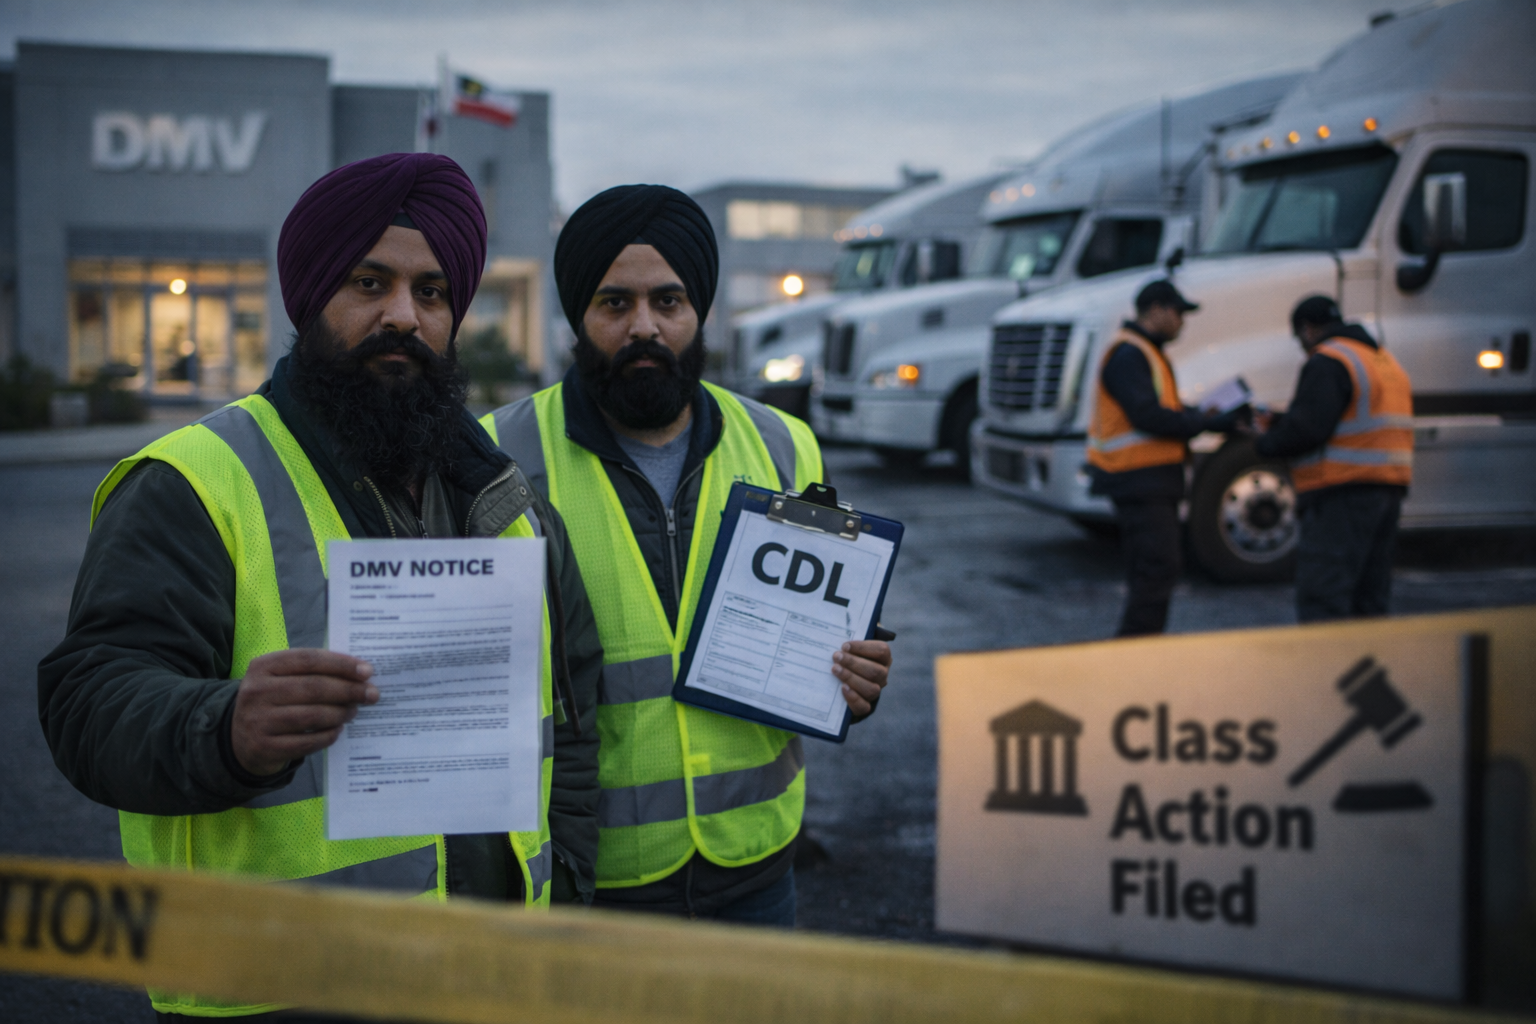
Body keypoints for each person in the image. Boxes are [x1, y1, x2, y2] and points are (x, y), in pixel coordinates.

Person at [38, 153, 603, 1021]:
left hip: (488, 980)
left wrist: (566, 877)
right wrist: (224, 727)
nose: (403, 315)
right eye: (369, 283)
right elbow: (88, 700)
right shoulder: (195, 480)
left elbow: (569, 716)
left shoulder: (504, 498)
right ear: (309, 298)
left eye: (432, 292)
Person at [482, 184, 892, 926]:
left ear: (699, 311)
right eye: (614, 303)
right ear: (578, 315)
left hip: (757, 865)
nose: (644, 326)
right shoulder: (497, 456)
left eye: (667, 302)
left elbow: (820, 626)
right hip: (592, 882)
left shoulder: (783, 444)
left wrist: (853, 675)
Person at [1087, 279, 1242, 637]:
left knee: (1153, 571)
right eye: (1178, 313)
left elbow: (1160, 409)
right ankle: (1137, 651)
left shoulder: (1145, 353)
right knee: (1156, 569)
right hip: (1140, 480)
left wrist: (1201, 414)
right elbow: (1148, 416)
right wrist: (1206, 422)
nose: (1182, 322)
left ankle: (1139, 648)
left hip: (1147, 480)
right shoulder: (1131, 354)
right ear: (1155, 310)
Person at [1254, 296, 1413, 621]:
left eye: (1299, 339)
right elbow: (1347, 419)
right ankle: (1366, 655)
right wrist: (1283, 420)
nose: (1302, 347)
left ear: (1307, 329)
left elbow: (1308, 429)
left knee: (1324, 598)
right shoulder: (1382, 360)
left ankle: (1329, 656)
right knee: (1369, 599)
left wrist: (1264, 441)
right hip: (1387, 490)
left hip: (1341, 494)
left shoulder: (1328, 360)